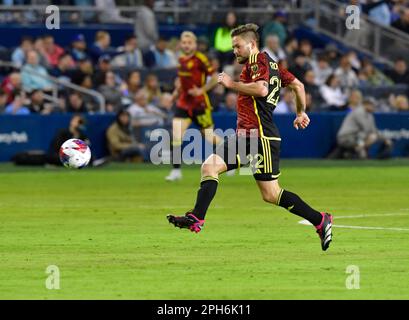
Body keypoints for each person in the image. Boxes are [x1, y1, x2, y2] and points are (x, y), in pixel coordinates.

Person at [167, 24, 333, 252]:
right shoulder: (272, 65)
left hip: (260, 136)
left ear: (252, 44)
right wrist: (300, 112)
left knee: (271, 194)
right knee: (210, 167)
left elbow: (262, 90)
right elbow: (298, 84)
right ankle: (196, 218)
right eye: (233, 46)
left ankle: (320, 219)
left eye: (237, 46)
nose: (234, 50)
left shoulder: (257, 62)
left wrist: (231, 84)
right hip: (246, 135)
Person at [165, 31, 222, 182]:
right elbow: (181, 82)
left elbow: (216, 77)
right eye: (184, 42)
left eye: (189, 43)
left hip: (200, 104)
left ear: (195, 45)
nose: (186, 45)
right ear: (180, 44)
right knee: (176, 135)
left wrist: (201, 90)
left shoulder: (200, 59)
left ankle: (232, 155)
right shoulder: (181, 60)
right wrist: (174, 95)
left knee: (209, 136)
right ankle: (176, 171)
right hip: (184, 103)